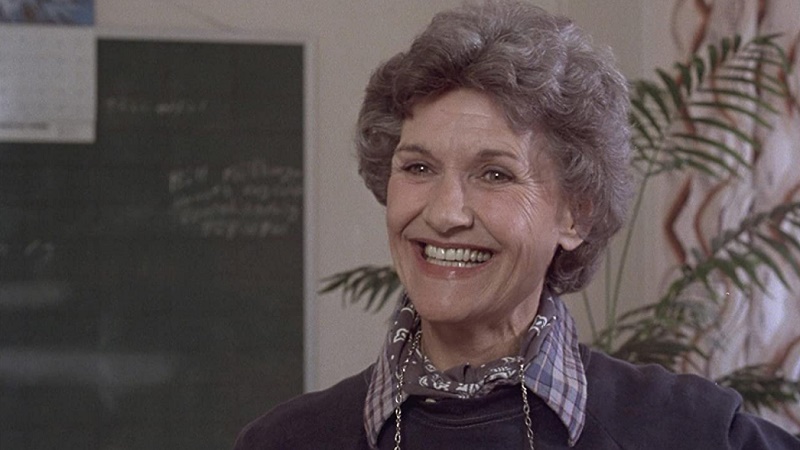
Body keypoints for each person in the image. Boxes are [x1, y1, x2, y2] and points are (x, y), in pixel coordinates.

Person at [233, 1, 800, 448]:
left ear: (575, 213)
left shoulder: (694, 432)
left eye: (495, 174)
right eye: (419, 168)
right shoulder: (284, 441)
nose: (445, 213)